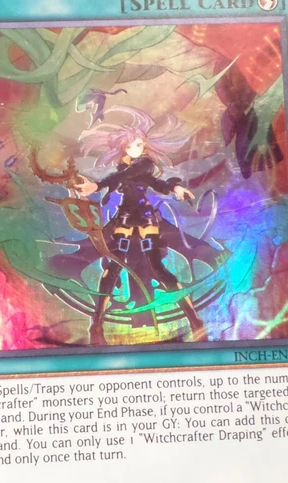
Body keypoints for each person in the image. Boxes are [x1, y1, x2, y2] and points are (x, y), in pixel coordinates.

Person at [74, 106, 209, 345]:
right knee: (113, 267)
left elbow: (147, 180)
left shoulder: (143, 164)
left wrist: (98, 185)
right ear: (124, 147)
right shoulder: (125, 169)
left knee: (157, 267)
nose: (142, 148)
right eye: (136, 144)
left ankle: (195, 321)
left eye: (141, 144)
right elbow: (142, 180)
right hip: (125, 217)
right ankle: (96, 325)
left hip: (145, 218)